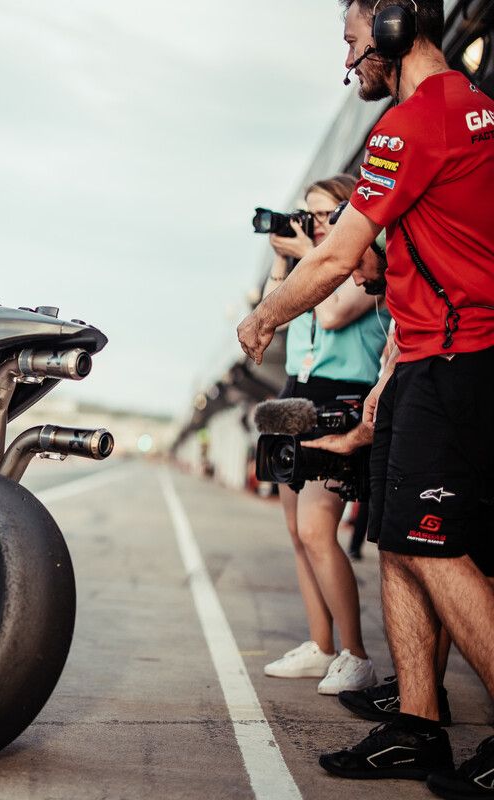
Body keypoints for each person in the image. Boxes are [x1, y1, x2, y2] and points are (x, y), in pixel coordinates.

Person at [237, 1, 494, 794]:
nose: (350, 64)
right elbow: (420, 256)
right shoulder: (478, 115)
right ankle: (417, 725)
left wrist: (263, 319)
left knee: (431, 545)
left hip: (454, 358)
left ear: (390, 26)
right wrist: (389, 372)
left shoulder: (414, 121)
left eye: (352, 43)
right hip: (430, 357)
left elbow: (338, 258)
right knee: (398, 540)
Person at [260, 175, 389, 696]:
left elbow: (332, 314)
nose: (312, 226)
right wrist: (283, 262)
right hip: (297, 391)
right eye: (307, 216)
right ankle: (322, 645)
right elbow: (277, 311)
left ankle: (356, 655)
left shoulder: (361, 261)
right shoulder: (310, 264)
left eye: (322, 216)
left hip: (342, 394)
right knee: (296, 533)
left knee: (318, 529)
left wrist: (311, 262)